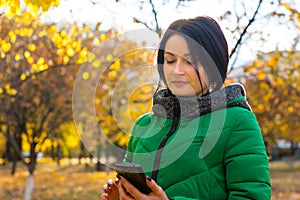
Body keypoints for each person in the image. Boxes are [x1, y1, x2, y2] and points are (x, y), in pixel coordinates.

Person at [101, 16, 271, 200]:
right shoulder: (144, 125)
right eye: (170, 60)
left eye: (189, 61)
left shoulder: (237, 120)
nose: (177, 70)